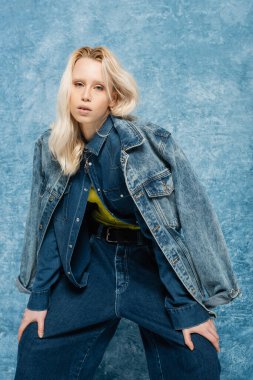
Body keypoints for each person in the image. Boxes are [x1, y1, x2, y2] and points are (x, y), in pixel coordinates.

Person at [14, 45, 241, 380]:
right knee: (35, 347)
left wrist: (187, 308)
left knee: (198, 359)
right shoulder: (52, 147)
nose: (86, 96)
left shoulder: (142, 147)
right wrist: (39, 299)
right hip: (93, 265)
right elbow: (52, 229)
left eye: (98, 87)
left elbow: (170, 231)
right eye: (78, 84)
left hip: (150, 265)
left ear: (114, 98)